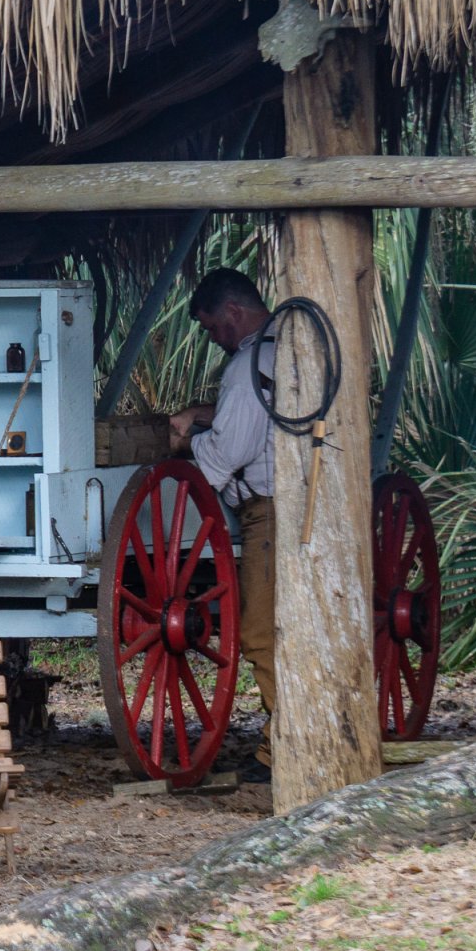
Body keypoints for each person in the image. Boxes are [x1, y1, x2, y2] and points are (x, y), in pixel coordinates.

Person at [168, 268, 277, 778]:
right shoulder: (283, 348)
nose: (215, 340)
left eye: (214, 329)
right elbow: (262, 411)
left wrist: (187, 439)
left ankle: (287, 747)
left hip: (267, 513)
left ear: (233, 312)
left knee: (259, 634)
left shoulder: (246, 365)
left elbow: (223, 459)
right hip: (294, 502)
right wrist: (206, 413)